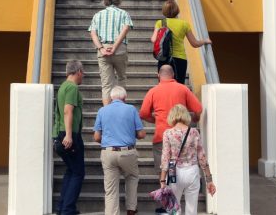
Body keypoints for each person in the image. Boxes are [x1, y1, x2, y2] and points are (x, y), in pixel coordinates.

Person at [139, 64, 202, 211]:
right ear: (173, 75)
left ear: (158, 76)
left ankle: (167, 204)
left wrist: (157, 120)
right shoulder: (183, 89)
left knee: (164, 170)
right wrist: (194, 120)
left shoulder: (153, 91)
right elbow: (198, 109)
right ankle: (177, 205)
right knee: (181, 169)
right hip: (183, 137)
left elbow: (143, 113)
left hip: (161, 136)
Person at [93, 85, 146, 215]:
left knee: (110, 190)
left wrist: (108, 142)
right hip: (127, 152)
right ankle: (131, 209)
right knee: (132, 177)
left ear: (111, 98)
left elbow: (96, 137)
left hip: (108, 152)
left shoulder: (102, 111)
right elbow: (141, 134)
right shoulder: (131, 109)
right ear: (125, 97)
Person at [159, 104, 216, 215]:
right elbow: (202, 156)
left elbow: (165, 158)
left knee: (174, 209)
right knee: (192, 208)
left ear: (172, 116)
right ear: (185, 116)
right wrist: (209, 180)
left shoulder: (168, 133)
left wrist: (162, 180)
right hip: (192, 171)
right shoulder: (194, 132)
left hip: (174, 172)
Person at [151, 0, 211, 85]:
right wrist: (205, 41)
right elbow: (194, 44)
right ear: (177, 10)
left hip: (164, 57)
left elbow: (153, 39)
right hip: (180, 59)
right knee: (179, 86)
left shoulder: (160, 23)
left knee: (164, 85)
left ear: (164, 10)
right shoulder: (184, 24)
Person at [88, 0, 133, 106]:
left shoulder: (98, 15)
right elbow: (126, 28)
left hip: (103, 48)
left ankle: (107, 112)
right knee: (121, 79)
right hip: (120, 49)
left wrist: (101, 48)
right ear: (118, 1)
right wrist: (115, 46)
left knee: (106, 84)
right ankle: (121, 108)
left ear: (105, 1)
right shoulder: (124, 13)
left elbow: (93, 33)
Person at [54, 59, 85, 215]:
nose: (83, 75)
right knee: (78, 172)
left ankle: (62, 207)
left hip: (60, 133)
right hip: (69, 134)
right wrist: (68, 135)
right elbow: (68, 111)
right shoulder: (72, 87)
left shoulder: (63, 87)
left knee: (71, 171)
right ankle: (67, 209)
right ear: (78, 71)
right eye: (83, 72)